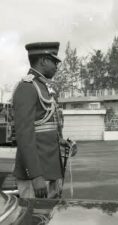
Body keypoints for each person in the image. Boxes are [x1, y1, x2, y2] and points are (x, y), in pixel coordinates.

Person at [13, 42, 64, 199]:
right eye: (54, 61)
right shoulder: (27, 87)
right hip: (37, 177)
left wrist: (63, 142)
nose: (57, 66)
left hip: (51, 172)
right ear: (43, 61)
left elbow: (45, 128)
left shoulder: (43, 87)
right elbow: (24, 135)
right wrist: (35, 175)